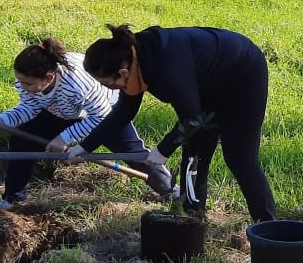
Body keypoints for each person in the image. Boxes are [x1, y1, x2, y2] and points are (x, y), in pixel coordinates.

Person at [75, 24, 277, 223]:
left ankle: (268, 227)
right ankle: (193, 218)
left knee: (240, 159)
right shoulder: (133, 60)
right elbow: (123, 113)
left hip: (243, 72)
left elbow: (193, 119)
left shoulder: (166, 69)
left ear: (122, 73)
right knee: (194, 153)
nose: (107, 88)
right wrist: (85, 147)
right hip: (206, 82)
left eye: (106, 83)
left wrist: (163, 150)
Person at [0, 37, 165, 209]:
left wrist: (65, 138)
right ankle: (12, 198)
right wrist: (3, 120)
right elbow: (29, 108)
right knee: (21, 141)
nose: (22, 87)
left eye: (28, 84)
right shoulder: (26, 80)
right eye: (20, 81)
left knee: (133, 153)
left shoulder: (78, 82)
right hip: (58, 110)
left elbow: (100, 116)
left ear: (49, 77)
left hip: (103, 112)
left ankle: (171, 190)